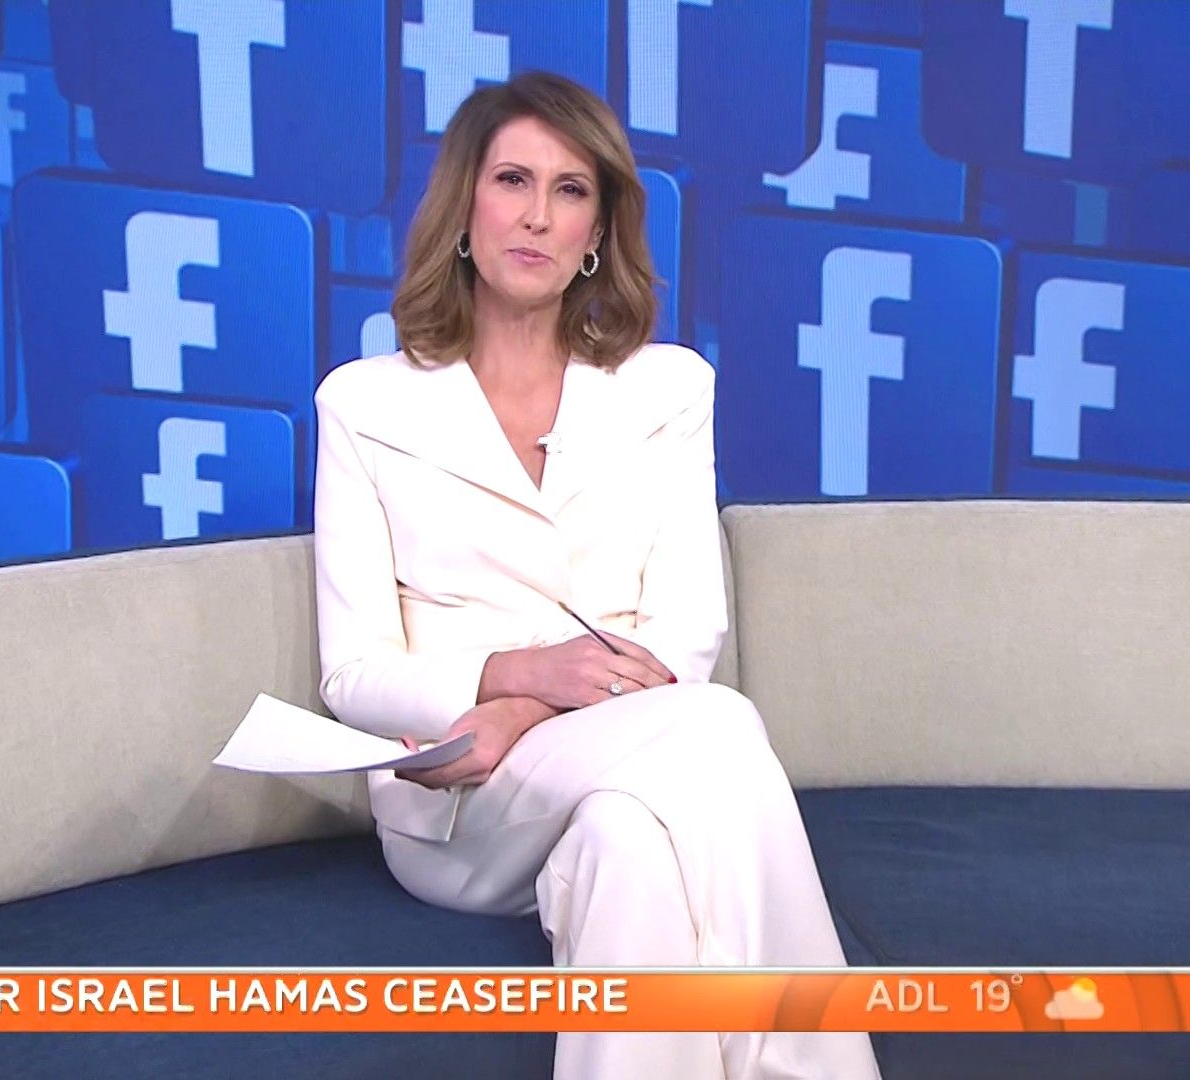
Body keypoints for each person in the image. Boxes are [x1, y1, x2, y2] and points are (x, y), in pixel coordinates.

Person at [310, 71, 882, 1080]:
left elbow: (689, 630)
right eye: (513, 181)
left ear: (598, 232)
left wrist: (527, 706)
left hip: (623, 762)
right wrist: (513, 678)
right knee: (718, 724)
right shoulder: (364, 405)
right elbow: (351, 675)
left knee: (628, 850)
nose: (538, 214)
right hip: (461, 806)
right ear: (463, 208)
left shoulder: (668, 389)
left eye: (570, 190)